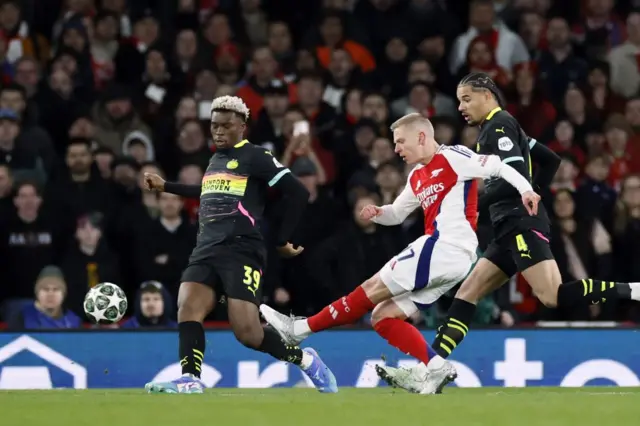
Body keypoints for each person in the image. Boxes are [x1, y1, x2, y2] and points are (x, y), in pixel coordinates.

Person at [379, 72, 640, 394]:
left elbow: (512, 174)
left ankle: (635, 290)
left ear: (487, 95)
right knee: (467, 293)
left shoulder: (496, 127)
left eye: (466, 98)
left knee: (552, 295)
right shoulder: (507, 125)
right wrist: (531, 190)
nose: (461, 107)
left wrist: (476, 202)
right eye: (459, 100)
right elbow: (549, 159)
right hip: (508, 225)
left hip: (519, 224)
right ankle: (430, 371)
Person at [259, 112, 539, 394]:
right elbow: (398, 212)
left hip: (444, 246)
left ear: (421, 137)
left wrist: (527, 190)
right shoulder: (417, 175)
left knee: (371, 288)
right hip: (451, 259)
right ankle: (435, 366)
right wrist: (379, 213)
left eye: (400, 141)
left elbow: (498, 166)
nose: (396, 149)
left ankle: (300, 329)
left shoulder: (454, 157)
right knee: (383, 317)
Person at [142, 96, 338, 394]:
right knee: (188, 306)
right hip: (207, 246)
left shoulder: (256, 156)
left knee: (247, 333)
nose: (218, 132)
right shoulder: (216, 160)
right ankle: (190, 378)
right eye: (214, 126)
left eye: (225, 126)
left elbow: (298, 192)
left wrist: (282, 239)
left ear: (242, 127)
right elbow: (208, 190)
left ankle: (306, 360)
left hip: (241, 249)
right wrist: (166, 186)